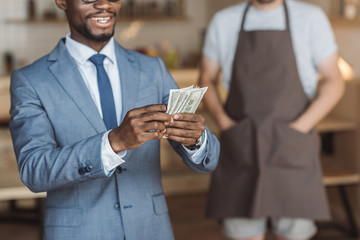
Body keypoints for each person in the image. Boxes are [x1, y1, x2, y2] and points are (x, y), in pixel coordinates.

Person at [9, 0, 220, 239]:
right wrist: (114, 142)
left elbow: (208, 160)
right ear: (61, 2)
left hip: (150, 229)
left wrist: (196, 141)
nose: (104, 4)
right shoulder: (31, 80)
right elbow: (34, 170)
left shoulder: (152, 68)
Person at [199, 0, 344, 240]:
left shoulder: (311, 18)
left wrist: (299, 129)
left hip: (291, 146)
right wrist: (225, 124)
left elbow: (334, 80)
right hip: (241, 144)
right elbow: (206, 78)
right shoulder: (224, 21)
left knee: (294, 234)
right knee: (243, 232)